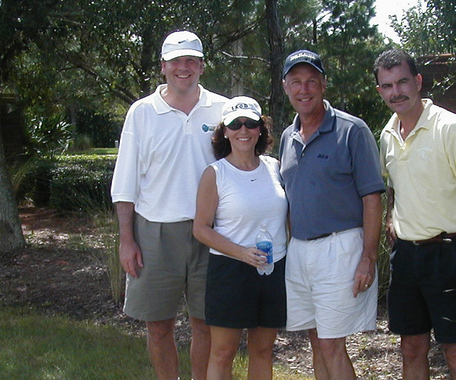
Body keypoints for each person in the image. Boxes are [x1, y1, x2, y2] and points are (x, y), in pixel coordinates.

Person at [373, 48, 456, 380]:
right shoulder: (387, 135)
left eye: (402, 82)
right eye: (387, 86)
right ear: (380, 91)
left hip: (449, 254)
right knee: (410, 349)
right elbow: (392, 185)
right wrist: (390, 217)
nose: (396, 92)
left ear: (417, 81)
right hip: (406, 257)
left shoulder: (454, 130)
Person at [110, 30, 228, 380]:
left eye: (191, 60)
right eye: (176, 60)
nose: (184, 67)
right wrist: (126, 239)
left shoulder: (222, 108)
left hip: (211, 232)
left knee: (206, 324)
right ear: (163, 66)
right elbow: (126, 182)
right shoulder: (142, 112)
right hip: (154, 233)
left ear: (202, 66)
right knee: (159, 327)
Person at [279, 49, 385, 380]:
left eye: (312, 81)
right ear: (285, 87)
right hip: (300, 251)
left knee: (331, 346)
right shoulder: (287, 137)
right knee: (315, 340)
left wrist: (368, 257)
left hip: (340, 249)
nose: (304, 89)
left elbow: (372, 198)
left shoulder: (352, 130)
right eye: (296, 82)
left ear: (324, 84)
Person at [192, 96, 287, 380]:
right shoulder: (216, 174)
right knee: (222, 353)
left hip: (273, 269)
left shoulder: (275, 167)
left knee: (263, 351)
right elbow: (201, 228)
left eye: (250, 123)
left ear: (261, 129)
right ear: (224, 131)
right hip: (230, 272)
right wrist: (241, 252)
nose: (242, 130)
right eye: (235, 124)